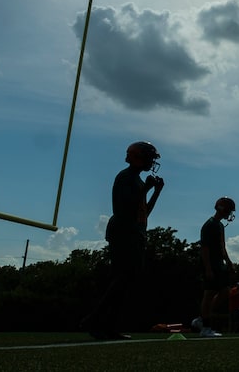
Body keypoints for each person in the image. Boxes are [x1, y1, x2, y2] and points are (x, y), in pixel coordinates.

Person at [81, 141, 165, 340]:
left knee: (125, 282)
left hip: (135, 233)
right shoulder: (125, 177)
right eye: (149, 158)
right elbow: (123, 209)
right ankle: (95, 320)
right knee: (121, 279)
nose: (151, 162)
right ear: (138, 157)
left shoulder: (136, 180)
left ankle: (108, 325)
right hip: (123, 232)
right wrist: (146, 189)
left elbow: (144, 212)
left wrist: (156, 192)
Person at [191, 196, 236, 337]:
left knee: (225, 292)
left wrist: (228, 262)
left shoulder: (220, 225)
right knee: (209, 293)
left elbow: (222, 246)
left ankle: (202, 318)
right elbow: (204, 248)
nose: (229, 213)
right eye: (228, 210)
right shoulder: (209, 225)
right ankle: (205, 327)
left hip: (219, 264)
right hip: (210, 263)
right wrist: (208, 268)